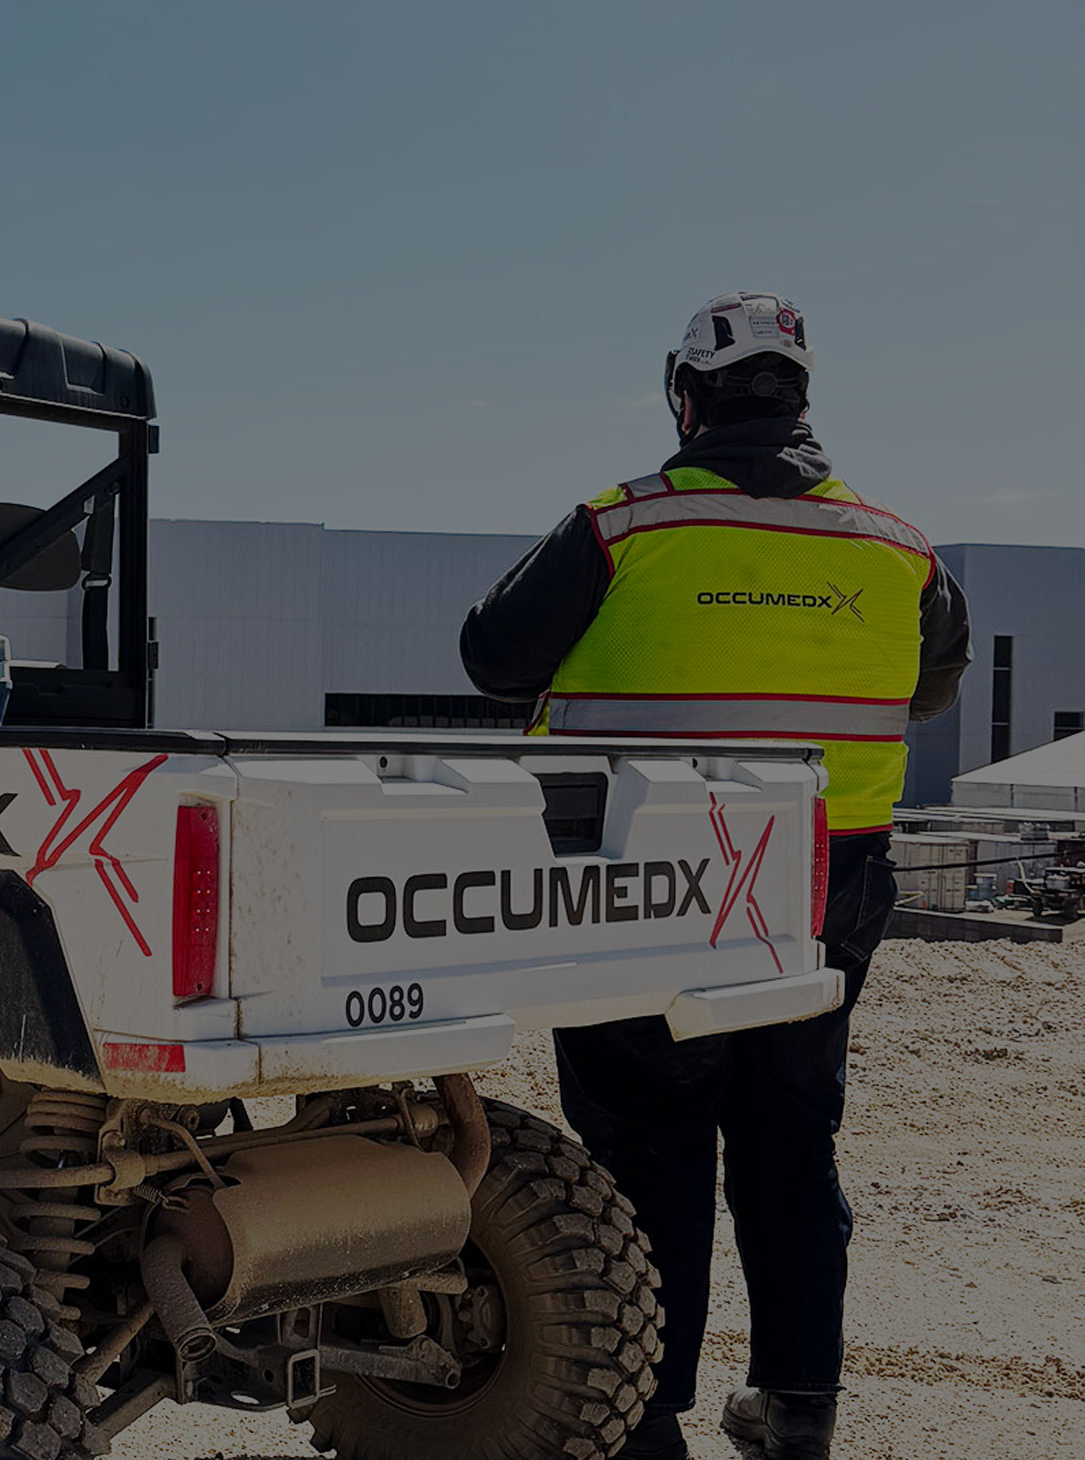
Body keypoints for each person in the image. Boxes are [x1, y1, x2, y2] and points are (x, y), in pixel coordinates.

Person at [459, 292, 970, 1460]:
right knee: (792, 1134)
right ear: (800, 399)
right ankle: (796, 1404)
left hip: (646, 876)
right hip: (827, 876)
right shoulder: (901, 550)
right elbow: (930, 686)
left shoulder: (622, 526)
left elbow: (491, 655)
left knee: (651, 1141)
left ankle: (643, 1420)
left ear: (686, 399)